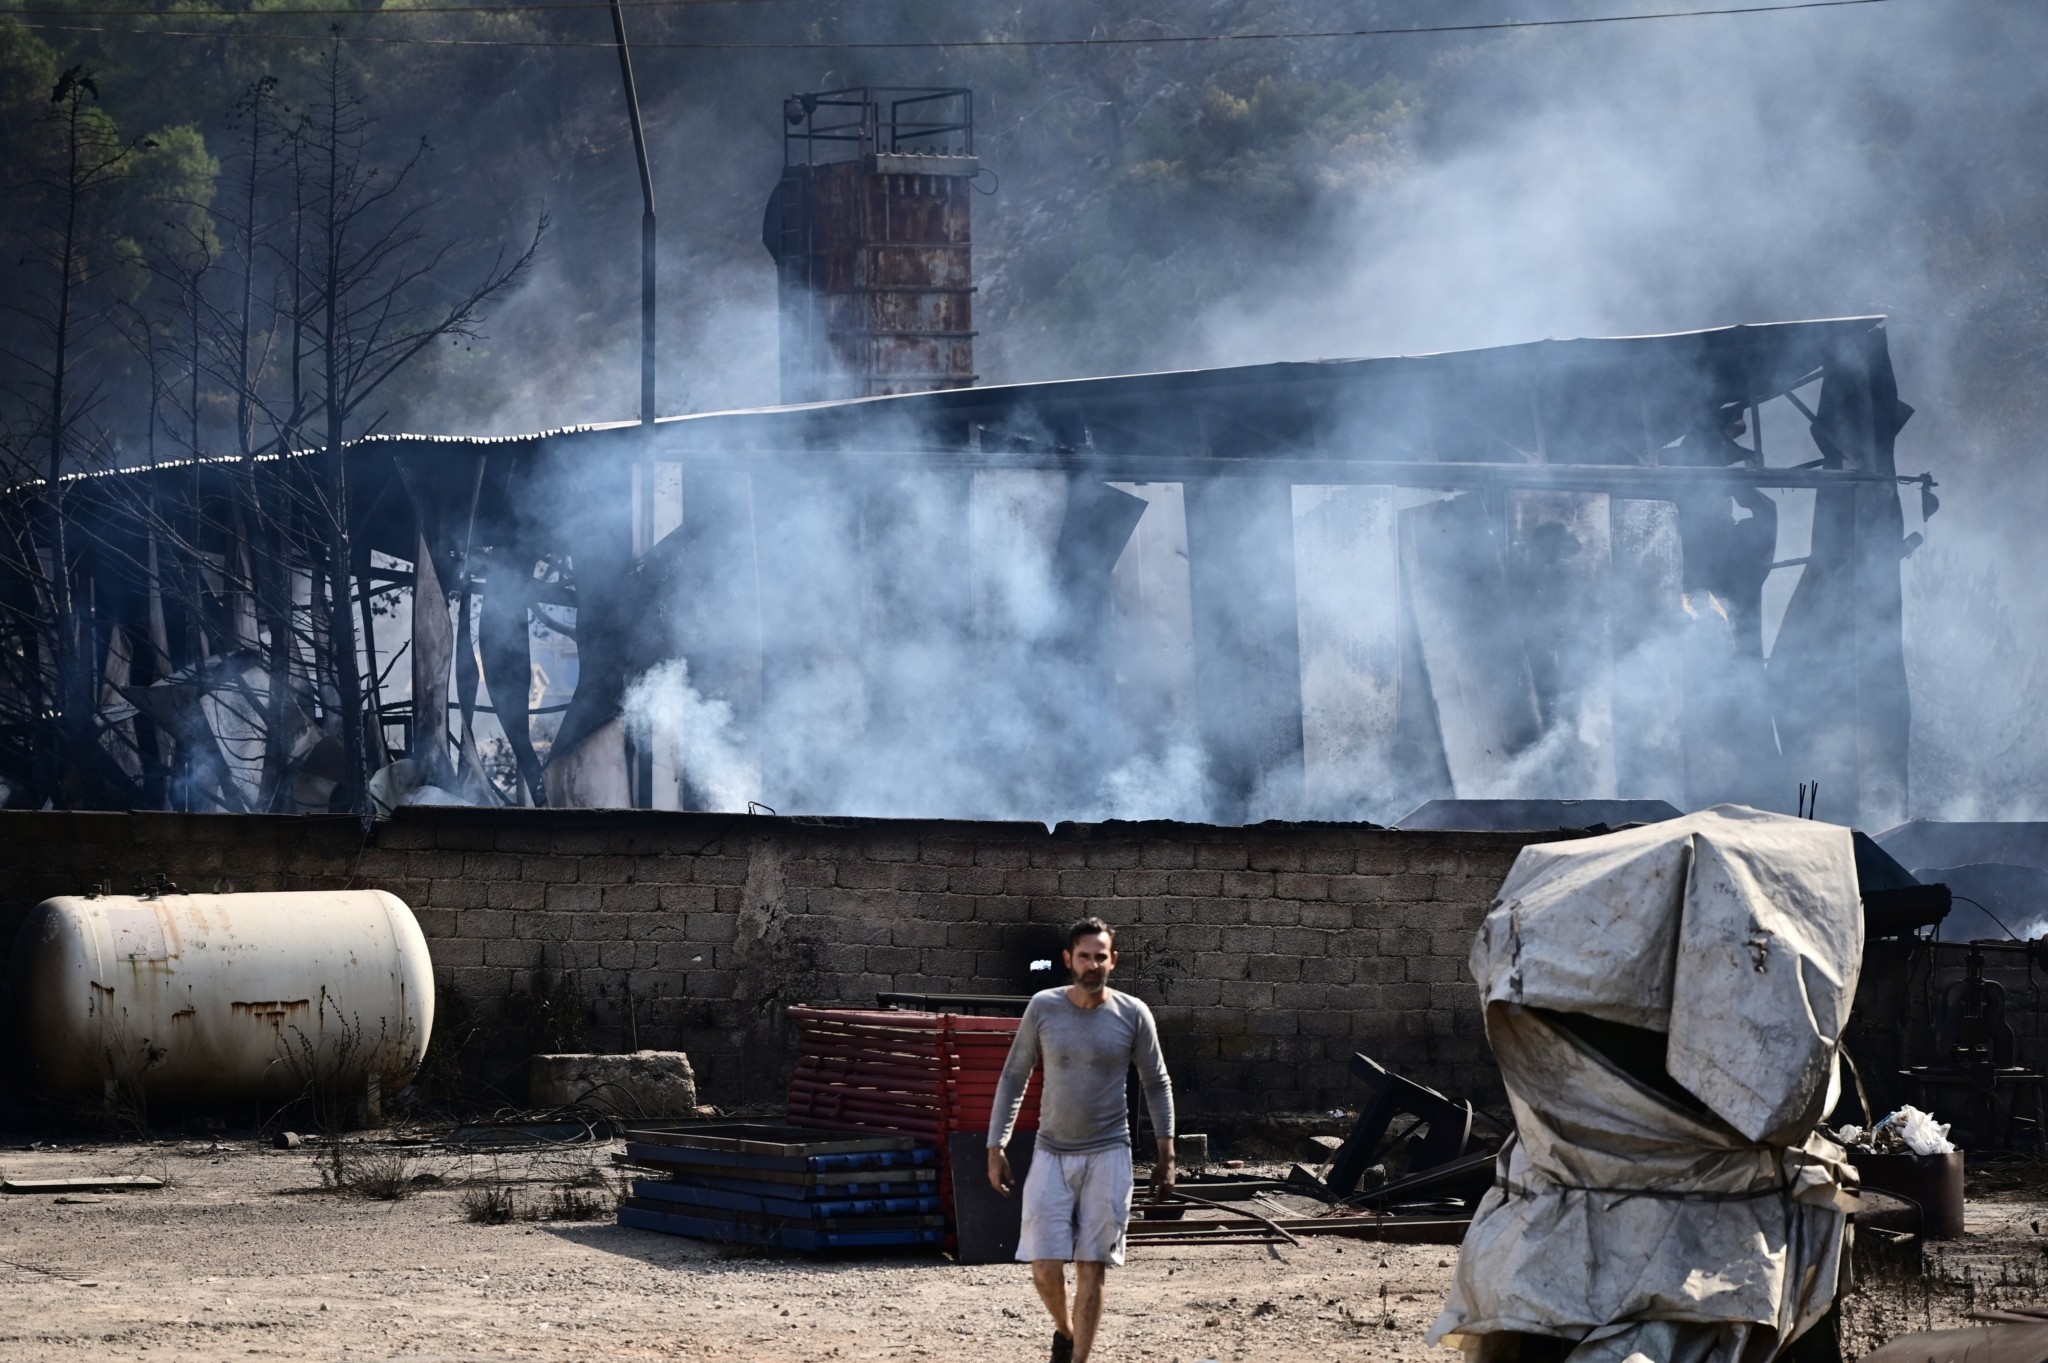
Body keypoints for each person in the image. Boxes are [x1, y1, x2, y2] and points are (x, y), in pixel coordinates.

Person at [987, 917, 1176, 1363]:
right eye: (1085, 956)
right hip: (1051, 1153)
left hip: (1110, 1154)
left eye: (1101, 956)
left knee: (1092, 1268)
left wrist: (1167, 1155)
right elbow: (1015, 1076)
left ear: (1113, 960)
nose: (1093, 965)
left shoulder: (1133, 1013)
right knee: (1043, 1268)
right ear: (1069, 960)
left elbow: (1157, 1083)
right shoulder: (1044, 1007)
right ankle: (1066, 1332)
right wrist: (996, 1146)